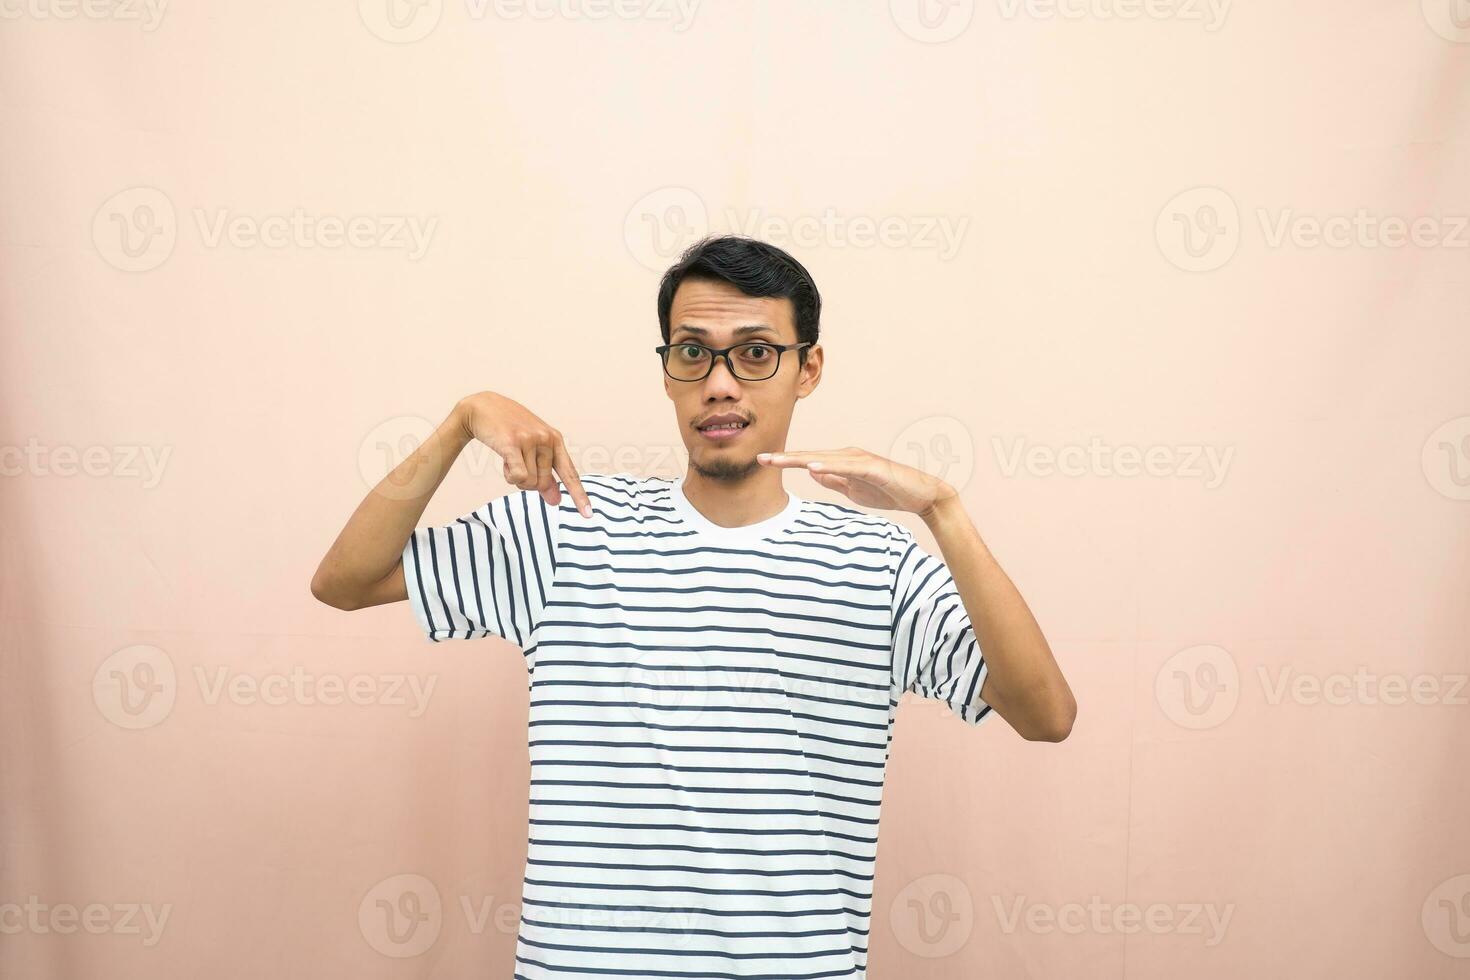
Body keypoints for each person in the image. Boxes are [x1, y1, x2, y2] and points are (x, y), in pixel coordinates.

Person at [310, 235, 1075, 978]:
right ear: (669, 369)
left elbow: (1047, 715)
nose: (719, 382)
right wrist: (463, 421)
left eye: (755, 352)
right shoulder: (568, 529)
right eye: (692, 352)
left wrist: (942, 510)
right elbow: (345, 581)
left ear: (807, 369)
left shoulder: (877, 564)